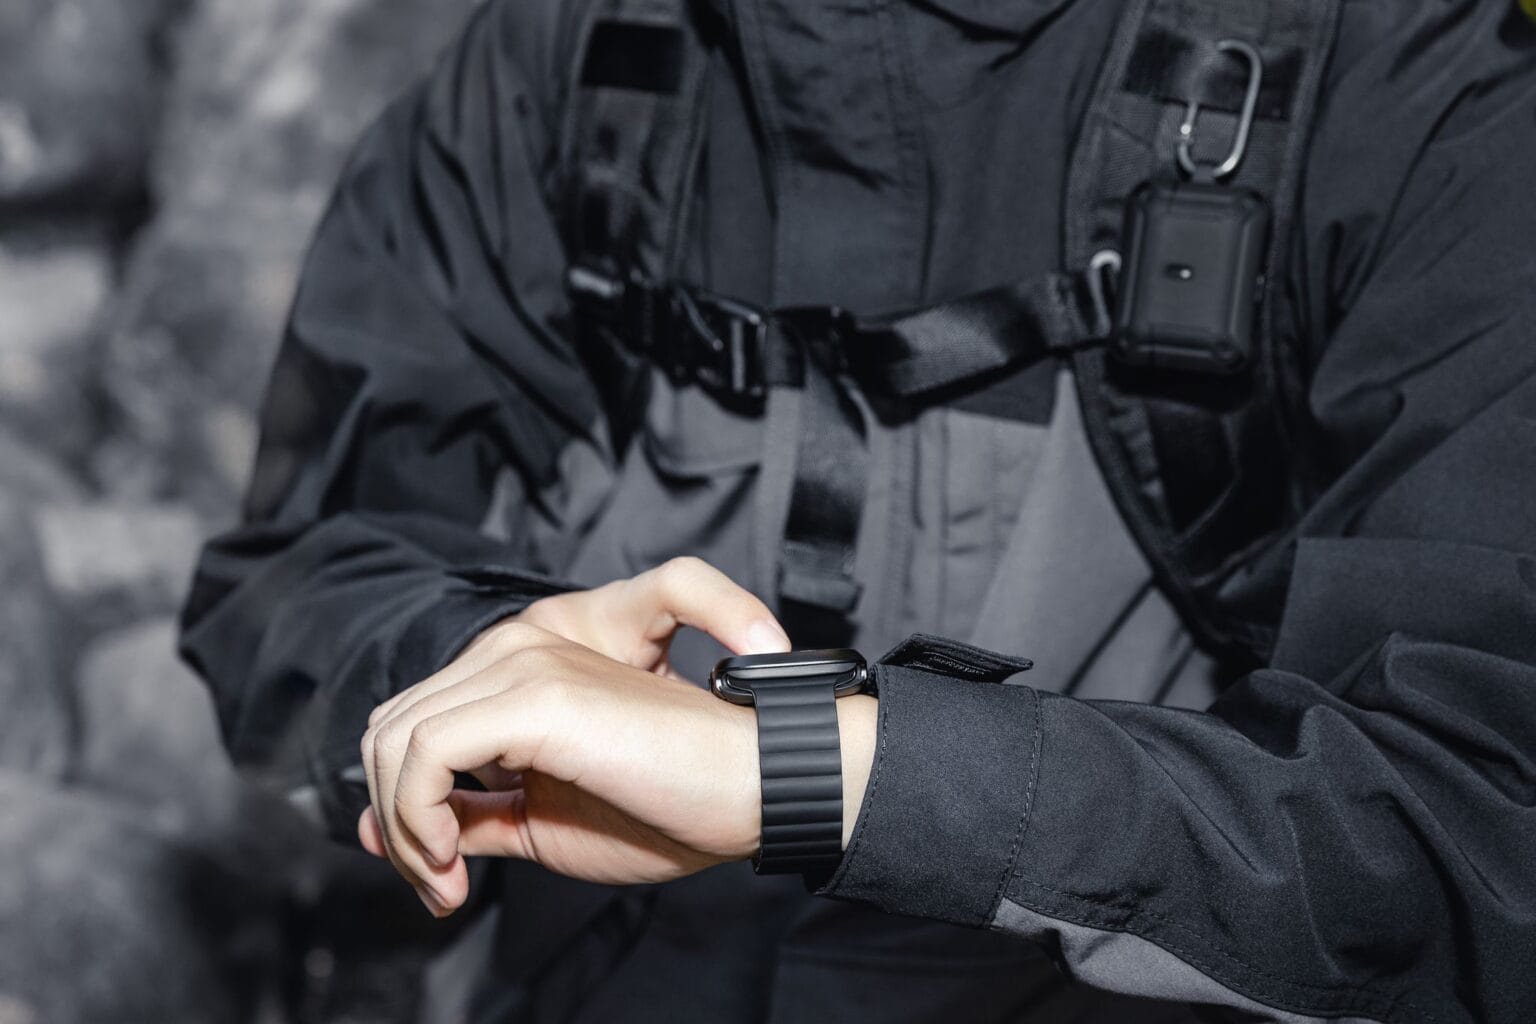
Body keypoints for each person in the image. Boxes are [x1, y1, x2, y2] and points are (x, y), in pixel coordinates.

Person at [181, 0, 1536, 1020]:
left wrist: (814, 772)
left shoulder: (1409, 97)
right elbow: (287, 583)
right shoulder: (560, 56)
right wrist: (482, 662)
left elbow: (1479, 830)